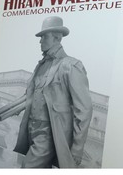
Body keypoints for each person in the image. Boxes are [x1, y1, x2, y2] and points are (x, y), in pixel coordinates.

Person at [12, 16, 93, 168]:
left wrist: (77, 148)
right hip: (32, 129)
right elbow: (31, 96)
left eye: (44, 36)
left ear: (57, 38)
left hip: (50, 134)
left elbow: (84, 109)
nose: (40, 41)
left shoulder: (71, 66)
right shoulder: (40, 66)